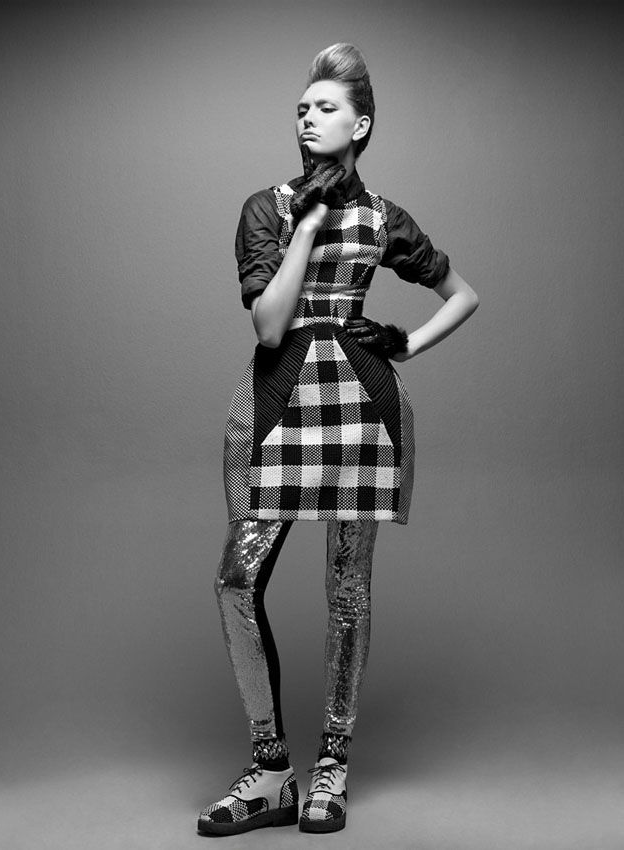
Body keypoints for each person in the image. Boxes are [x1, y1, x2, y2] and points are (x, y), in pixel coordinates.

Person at [196, 42, 479, 837]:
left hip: (361, 407)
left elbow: (462, 294)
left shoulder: (385, 218)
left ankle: (331, 768)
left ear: (362, 125)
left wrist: (407, 342)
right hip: (277, 398)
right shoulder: (267, 208)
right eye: (301, 108)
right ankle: (270, 771)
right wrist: (310, 223)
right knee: (235, 581)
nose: (307, 118)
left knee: (347, 591)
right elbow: (268, 324)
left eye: (325, 107)